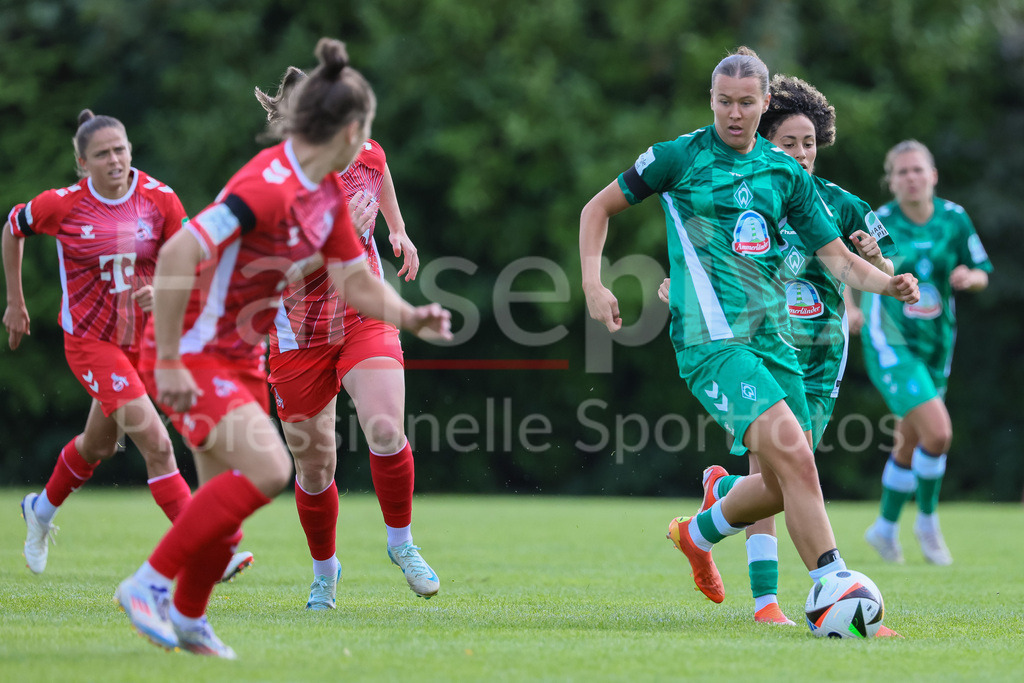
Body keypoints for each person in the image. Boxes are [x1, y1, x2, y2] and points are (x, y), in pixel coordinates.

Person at [113, 38, 452, 659]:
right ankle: (147, 585)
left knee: (224, 507)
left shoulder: (324, 193)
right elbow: (184, 250)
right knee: (272, 470)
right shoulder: (267, 185)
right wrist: (169, 358)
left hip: (241, 351)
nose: (368, 143)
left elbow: (355, 281)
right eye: (362, 129)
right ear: (344, 131)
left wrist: (411, 315)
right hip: (202, 347)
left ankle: (188, 616)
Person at [580, 47, 919, 620]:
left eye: (744, 103)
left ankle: (699, 532)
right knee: (795, 459)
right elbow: (597, 209)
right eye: (723, 102)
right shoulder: (677, 157)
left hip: (773, 340)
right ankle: (836, 591)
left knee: (787, 478)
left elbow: (838, 259)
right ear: (711, 101)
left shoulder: (783, 173)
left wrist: (890, 284)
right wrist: (594, 283)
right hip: (711, 341)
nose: (733, 114)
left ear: (763, 104)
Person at [658, 74, 899, 627]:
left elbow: (880, 264)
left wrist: (879, 262)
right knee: (783, 466)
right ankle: (768, 603)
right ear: (766, 143)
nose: (801, 153)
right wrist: (684, 288)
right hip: (761, 345)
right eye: (789, 142)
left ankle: (703, 524)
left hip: (821, 355)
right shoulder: (751, 192)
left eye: (809, 142)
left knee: (789, 477)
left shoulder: (839, 204)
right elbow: (704, 254)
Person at [3, 110, 251, 583]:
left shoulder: (159, 198)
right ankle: (209, 550)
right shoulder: (62, 205)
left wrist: (165, 290)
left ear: (130, 150)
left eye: (120, 149)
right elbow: (12, 228)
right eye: (102, 154)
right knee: (157, 443)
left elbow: (190, 261)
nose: (114, 160)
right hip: (92, 344)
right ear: (82, 163)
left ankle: (40, 510)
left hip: (144, 343)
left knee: (98, 445)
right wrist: (16, 302)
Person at [255, 67, 439, 609]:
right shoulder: (276, 185)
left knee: (384, 426)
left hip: (363, 313)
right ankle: (324, 571)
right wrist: (339, 237)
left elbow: (380, 170)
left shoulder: (363, 151)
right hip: (298, 335)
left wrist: (397, 228)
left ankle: (401, 543)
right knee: (316, 469)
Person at [858, 140, 991, 566]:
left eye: (918, 170)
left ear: (932, 175)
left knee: (911, 439)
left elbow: (982, 272)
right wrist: (849, 308)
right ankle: (928, 524)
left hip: (937, 342)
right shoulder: (879, 222)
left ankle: (884, 529)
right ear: (891, 181)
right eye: (902, 172)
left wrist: (969, 276)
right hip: (891, 341)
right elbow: (848, 264)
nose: (911, 178)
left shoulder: (954, 218)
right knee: (938, 433)